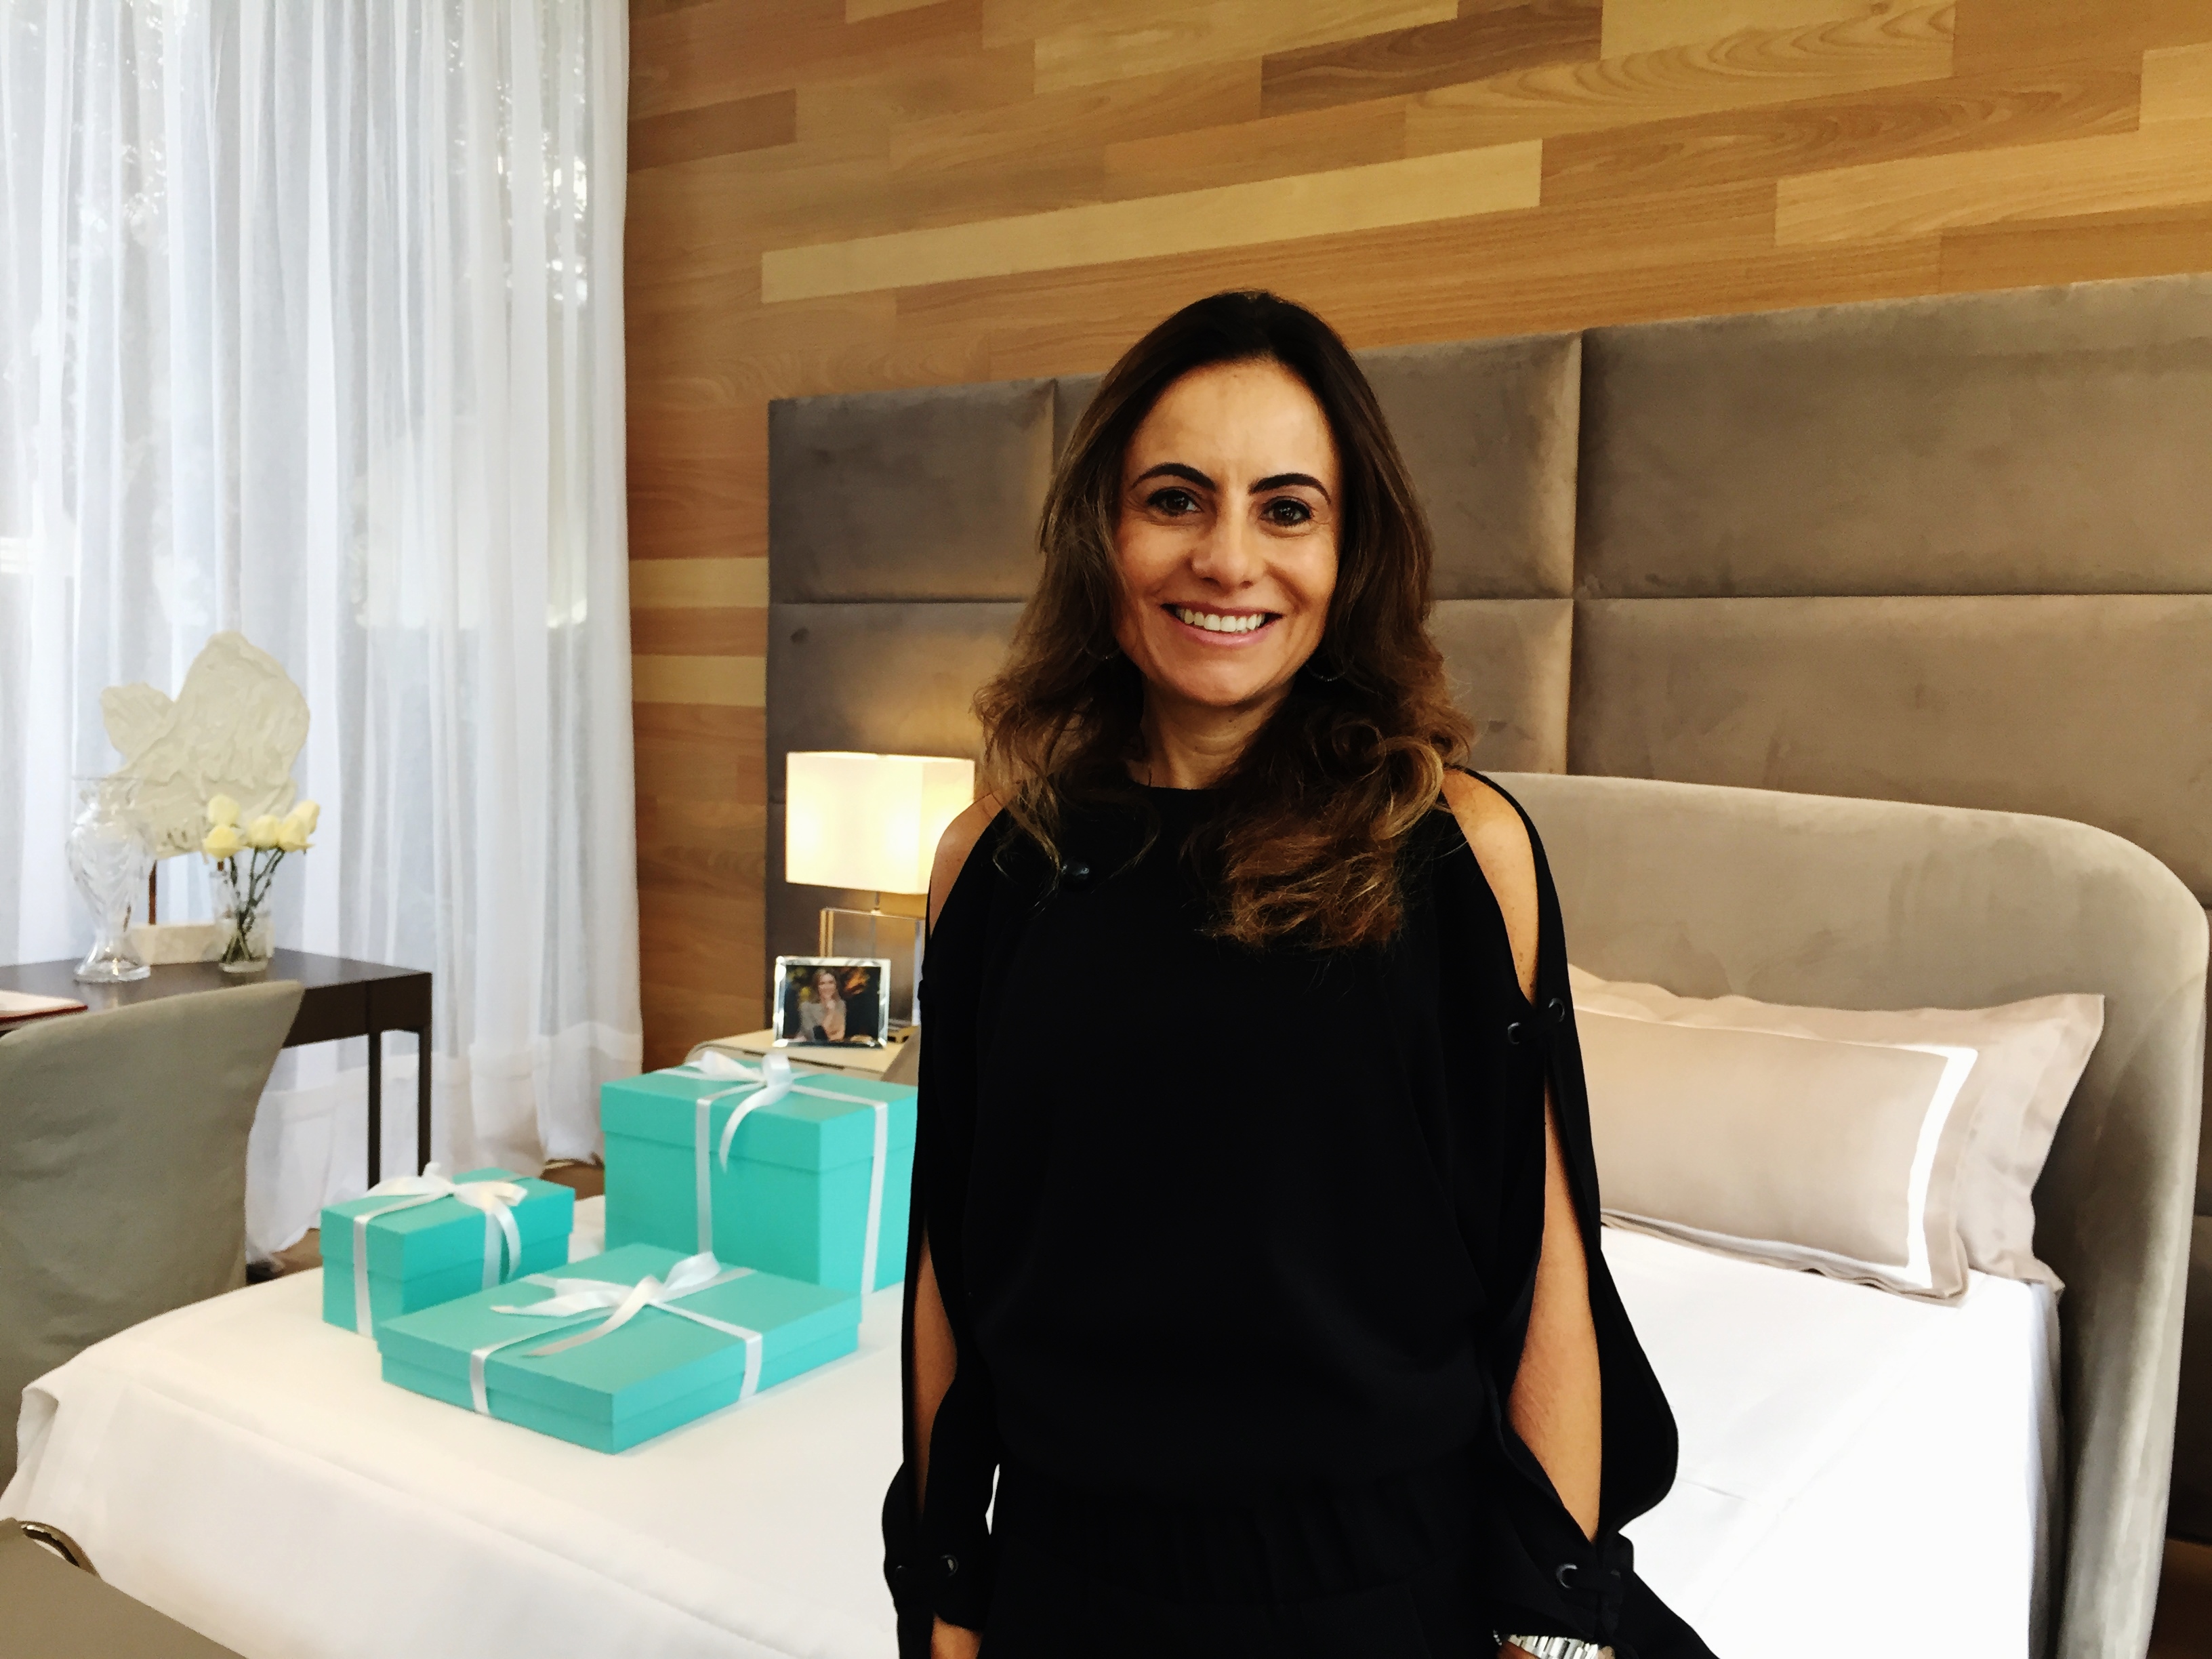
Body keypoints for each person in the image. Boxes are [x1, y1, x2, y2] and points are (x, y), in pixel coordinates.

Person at [882, 291, 1711, 1658]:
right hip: (1063, 1581)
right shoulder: (992, 863)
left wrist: (1544, 1625)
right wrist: (944, 1602)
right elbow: (948, 1271)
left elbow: (1545, 1274)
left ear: (1349, 551)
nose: (1227, 560)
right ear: (1102, 534)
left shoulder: (1457, 849)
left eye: (1287, 510)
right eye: (1174, 500)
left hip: (1384, 1589)